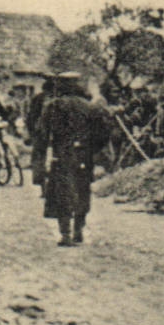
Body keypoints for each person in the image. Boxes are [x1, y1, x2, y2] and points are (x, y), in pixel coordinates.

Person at [31, 72, 113, 246]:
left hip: (62, 155)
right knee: (82, 191)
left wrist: (39, 160)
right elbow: (104, 133)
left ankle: (65, 233)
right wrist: (94, 151)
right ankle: (78, 230)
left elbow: (42, 135)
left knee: (63, 193)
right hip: (84, 156)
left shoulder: (52, 107)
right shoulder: (90, 107)